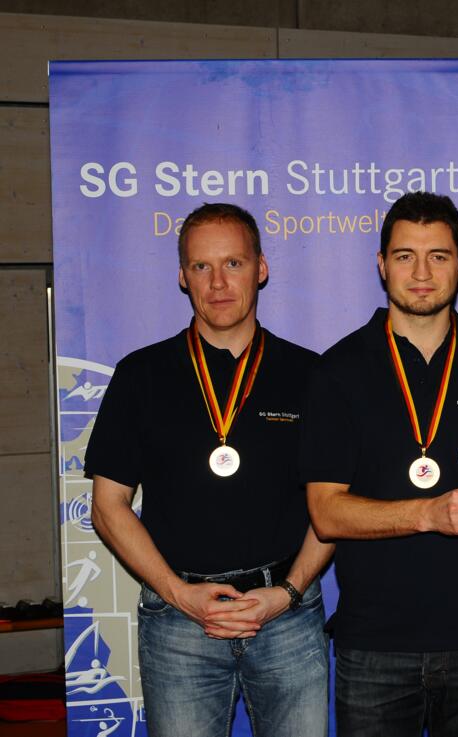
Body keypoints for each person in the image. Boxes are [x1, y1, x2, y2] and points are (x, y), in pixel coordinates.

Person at [301, 191, 458, 737]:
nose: (420, 272)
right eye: (404, 256)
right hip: (375, 646)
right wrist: (428, 514)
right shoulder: (338, 371)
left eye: (438, 256)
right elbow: (326, 512)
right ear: (381, 265)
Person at [87, 202, 332, 737]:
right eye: (202, 267)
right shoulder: (141, 375)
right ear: (182, 276)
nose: (218, 283)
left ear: (261, 268)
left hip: (287, 617)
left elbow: (333, 505)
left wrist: (287, 592)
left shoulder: (312, 374)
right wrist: (179, 594)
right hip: (177, 623)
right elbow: (108, 507)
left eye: (234, 264)